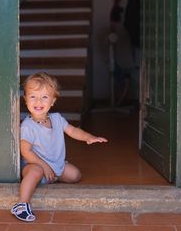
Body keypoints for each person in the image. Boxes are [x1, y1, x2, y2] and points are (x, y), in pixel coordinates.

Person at [11, 72, 108, 222]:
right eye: (33, 97)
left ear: (53, 101)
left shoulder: (57, 118)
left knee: (75, 175)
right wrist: (44, 166)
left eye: (44, 97)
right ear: (25, 100)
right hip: (34, 165)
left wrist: (89, 137)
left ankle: (51, 177)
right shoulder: (27, 126)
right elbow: (25, 151)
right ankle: (22, 203)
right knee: (35, 172)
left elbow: (73, 130)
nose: (38, 101)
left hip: (55, 165)